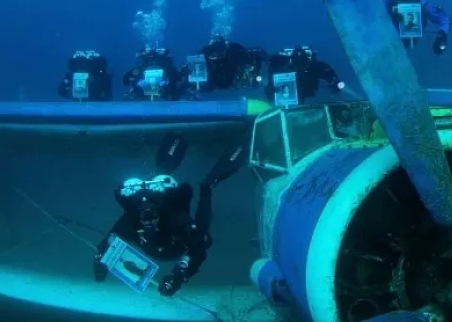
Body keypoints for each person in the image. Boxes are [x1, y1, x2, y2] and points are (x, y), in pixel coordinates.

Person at [93, 132, 249, 296]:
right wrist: (100, 263)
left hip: (175, 245)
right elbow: (110, 240)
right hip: (163, 245)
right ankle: (174, 160)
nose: (148, 221)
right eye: (145, 215)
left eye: (151, 215)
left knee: (201, 229)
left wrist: (179, 276)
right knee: (162, 177)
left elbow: (198, 250)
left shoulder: (176, 221)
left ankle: (207, 183)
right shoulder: (130, 220)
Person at [376, 0, 451, 55]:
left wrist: (442, 34)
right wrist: (443, 33)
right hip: (395, 41)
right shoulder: (387, 3)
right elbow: (444, 19)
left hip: (399, 42)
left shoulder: (419, 3)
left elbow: (444, 19)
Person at [264, 46, 344, 104]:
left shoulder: (315, 67)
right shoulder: (280, 68)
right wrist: (271, 90)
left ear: (307, 63)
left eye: (303, 65)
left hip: (309, 96)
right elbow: (269, 88)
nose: (300, 69)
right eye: (297, 66)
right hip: (290, 101)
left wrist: (336, 83)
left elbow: (330, 74)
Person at [188, 35, 266, 91]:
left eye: (220, 48)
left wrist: (256, 70)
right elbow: (192, 65)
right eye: (215, 48)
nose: (218, 54)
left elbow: (256, 53)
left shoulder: (234, 50)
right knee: (204, 86)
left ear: (226, 46)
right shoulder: (205, 53)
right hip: (213, 82)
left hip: (232, 79)